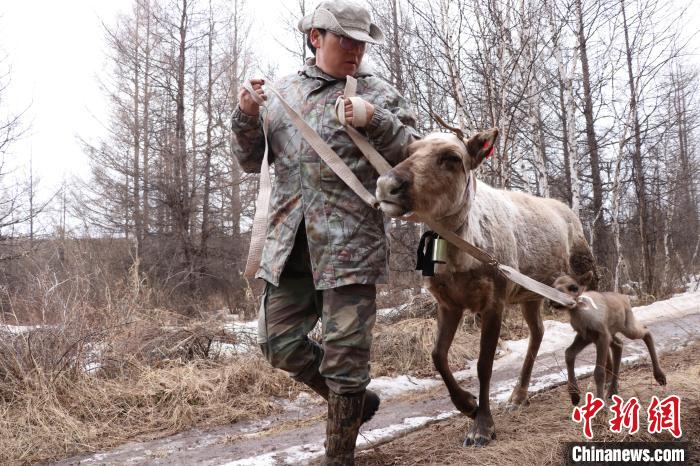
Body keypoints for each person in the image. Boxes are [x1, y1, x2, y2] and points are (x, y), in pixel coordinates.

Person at [231, 1, 419, 464]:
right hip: (289, 245)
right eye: (345, 40)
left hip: (351, 247)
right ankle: (355, 402)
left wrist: (375, 119)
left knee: (346, 361)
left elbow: (415, 156)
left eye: (361, 43)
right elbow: (250, 161)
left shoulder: (379, 93)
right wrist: (246, 115)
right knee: (277, 343)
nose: (355, 50)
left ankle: (340, 453)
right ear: (316, 37)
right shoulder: (283, 92)